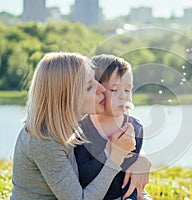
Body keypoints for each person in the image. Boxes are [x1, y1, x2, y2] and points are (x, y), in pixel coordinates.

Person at [10, 52, 136, 200]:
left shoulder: (68, 128)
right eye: (90, 86)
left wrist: (140, 159)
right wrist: (115, 158)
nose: (101, 88)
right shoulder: (45, 141)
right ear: (69, 97)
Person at [75, 54, 152, 200]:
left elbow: (131, 177)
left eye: (128, 90)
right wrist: (111, 151)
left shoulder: (135, 127)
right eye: (115, 89)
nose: (123, 96)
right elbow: (83, 176)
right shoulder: (82, 129)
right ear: (97, 89)